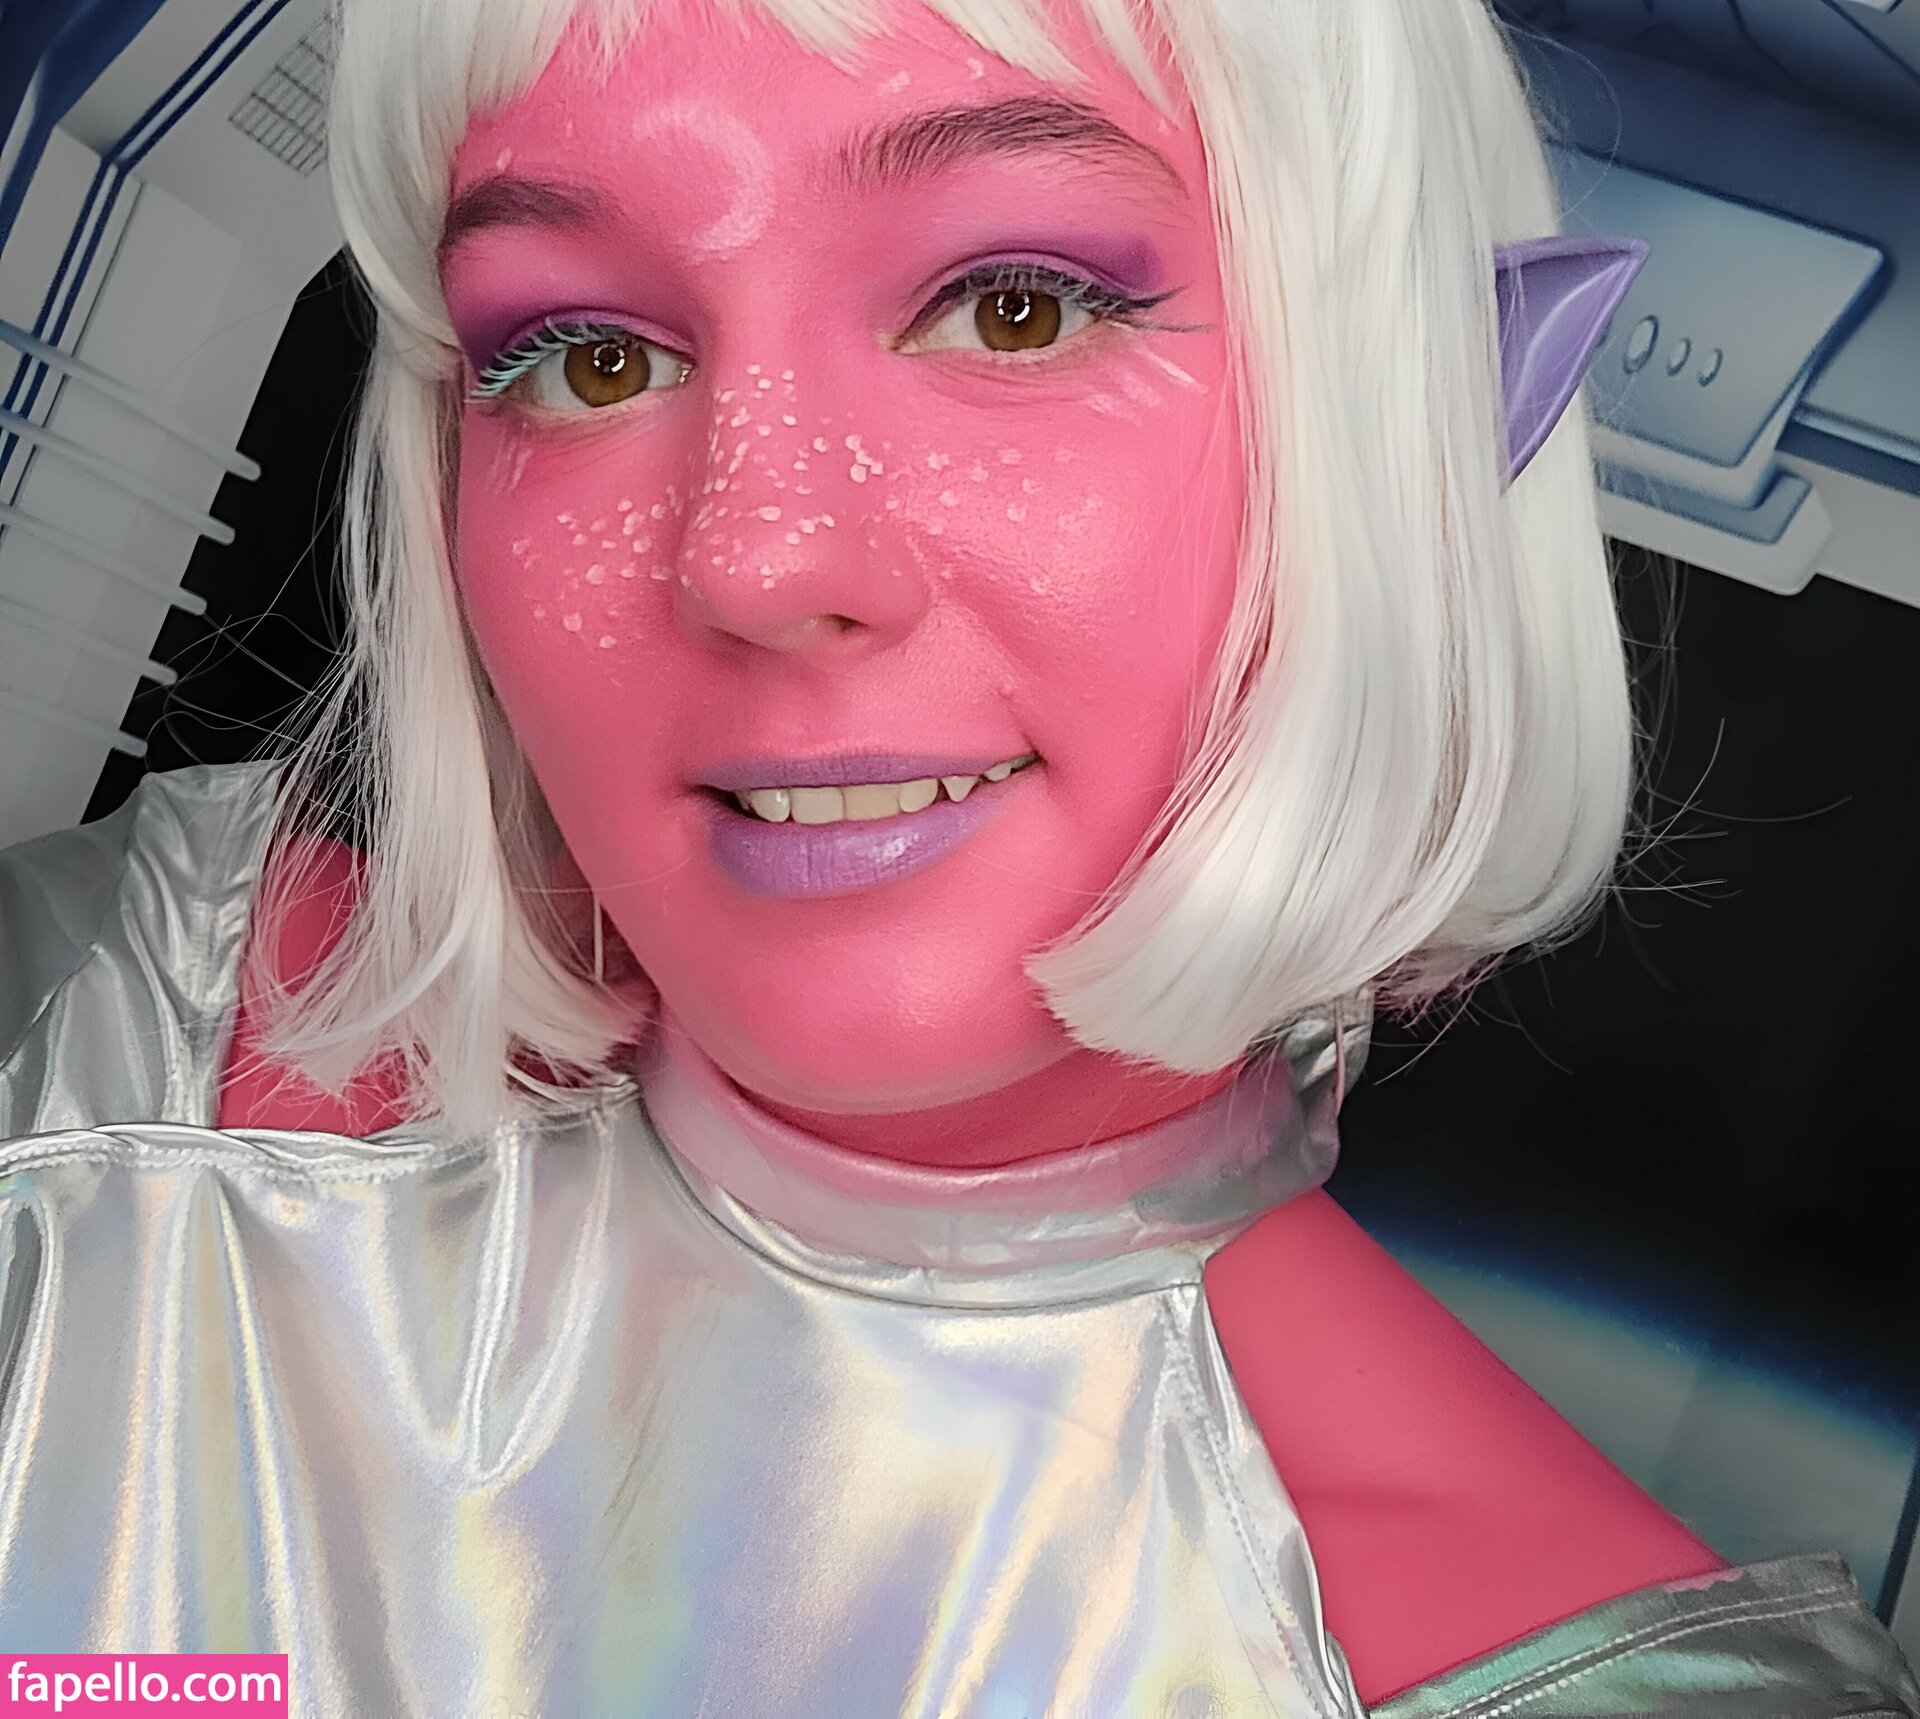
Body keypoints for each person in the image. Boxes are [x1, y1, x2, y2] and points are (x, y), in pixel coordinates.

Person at [1, 0, 1915, 1711]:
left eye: (1016, 307)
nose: (758, 559)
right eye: (585, 356)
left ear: (1421, 421)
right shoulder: (103, 1050)